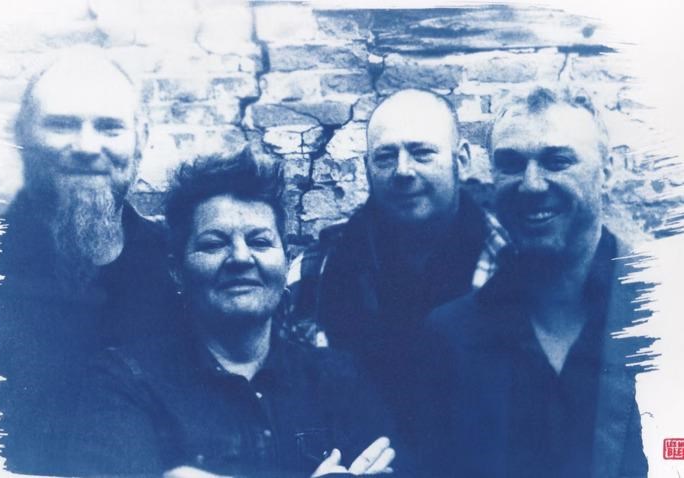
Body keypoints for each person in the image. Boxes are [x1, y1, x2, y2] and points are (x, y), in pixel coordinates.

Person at [66, 152, 403, 477]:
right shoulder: (125, 383)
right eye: (214, 244)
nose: (241, 258)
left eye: (260, 241)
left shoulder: (339, 381)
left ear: (286, 260)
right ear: (176, 271)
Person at [417, 86, 652, 477]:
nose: (531, 184)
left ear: (607, 171)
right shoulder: (450, 336)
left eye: (557, 161)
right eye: (510, 164)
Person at [0, 46, 180, 474]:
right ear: (21, 136)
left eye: (109, 127)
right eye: (62, 125)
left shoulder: (178, 265)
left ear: (141, 139)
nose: (87, 147)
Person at [286, 88, 507, 445]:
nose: (403, 171)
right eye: (386, 156)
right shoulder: (315, 272)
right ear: (366, 168)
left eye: (422, 153)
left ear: (462, 160)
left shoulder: (511, 261)